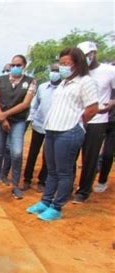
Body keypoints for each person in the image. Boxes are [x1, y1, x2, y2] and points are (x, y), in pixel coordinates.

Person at [27, 47, 98, 221]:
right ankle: (45, 202)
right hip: (52, 129)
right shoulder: (64, 83)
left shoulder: (85, 82)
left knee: (64, 172)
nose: (63, 66)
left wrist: (77, 122)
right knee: (51, 170)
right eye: (61, 63)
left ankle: (56, 207)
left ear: (78, 63)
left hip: (69, 130)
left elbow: (92, 108)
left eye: (67, 63)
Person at [0, 54, 36, 199]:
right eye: (13, 65)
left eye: (19, 65)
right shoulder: (0, 80)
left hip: (18, 121)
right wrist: (2, 118)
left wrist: (5, 115)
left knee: (16, 153)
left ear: (24, 66)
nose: (15, 68)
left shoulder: (30, 82)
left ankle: (15, 185)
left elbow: (25, 104)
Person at [72, 41, 115, 203]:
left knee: (89, 158)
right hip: (77, 120)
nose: (85, 59)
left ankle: (83, 191)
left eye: (87, 56)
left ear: (94, 53)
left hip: (98, 120)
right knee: (71, 155)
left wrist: (112, 103)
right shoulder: (78, 73)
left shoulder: (109, 71)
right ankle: (67, 187)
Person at [22, 63, 62, 192]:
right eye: (53, 70)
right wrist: (31, 119)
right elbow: (35, 105)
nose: (54, 73)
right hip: (38, 124)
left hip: (54, 127)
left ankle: (42, 181)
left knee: (47, 155)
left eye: (57, 70)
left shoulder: (63, 89)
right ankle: (27, 179)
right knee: (33, 152)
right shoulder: (42, 87)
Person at [94, 87, 115, 193]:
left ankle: (102, 181)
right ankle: (97, 164)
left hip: (113, 124)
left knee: (108, 153)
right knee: (92, 150)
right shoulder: (106, 85)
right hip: (100, 120)